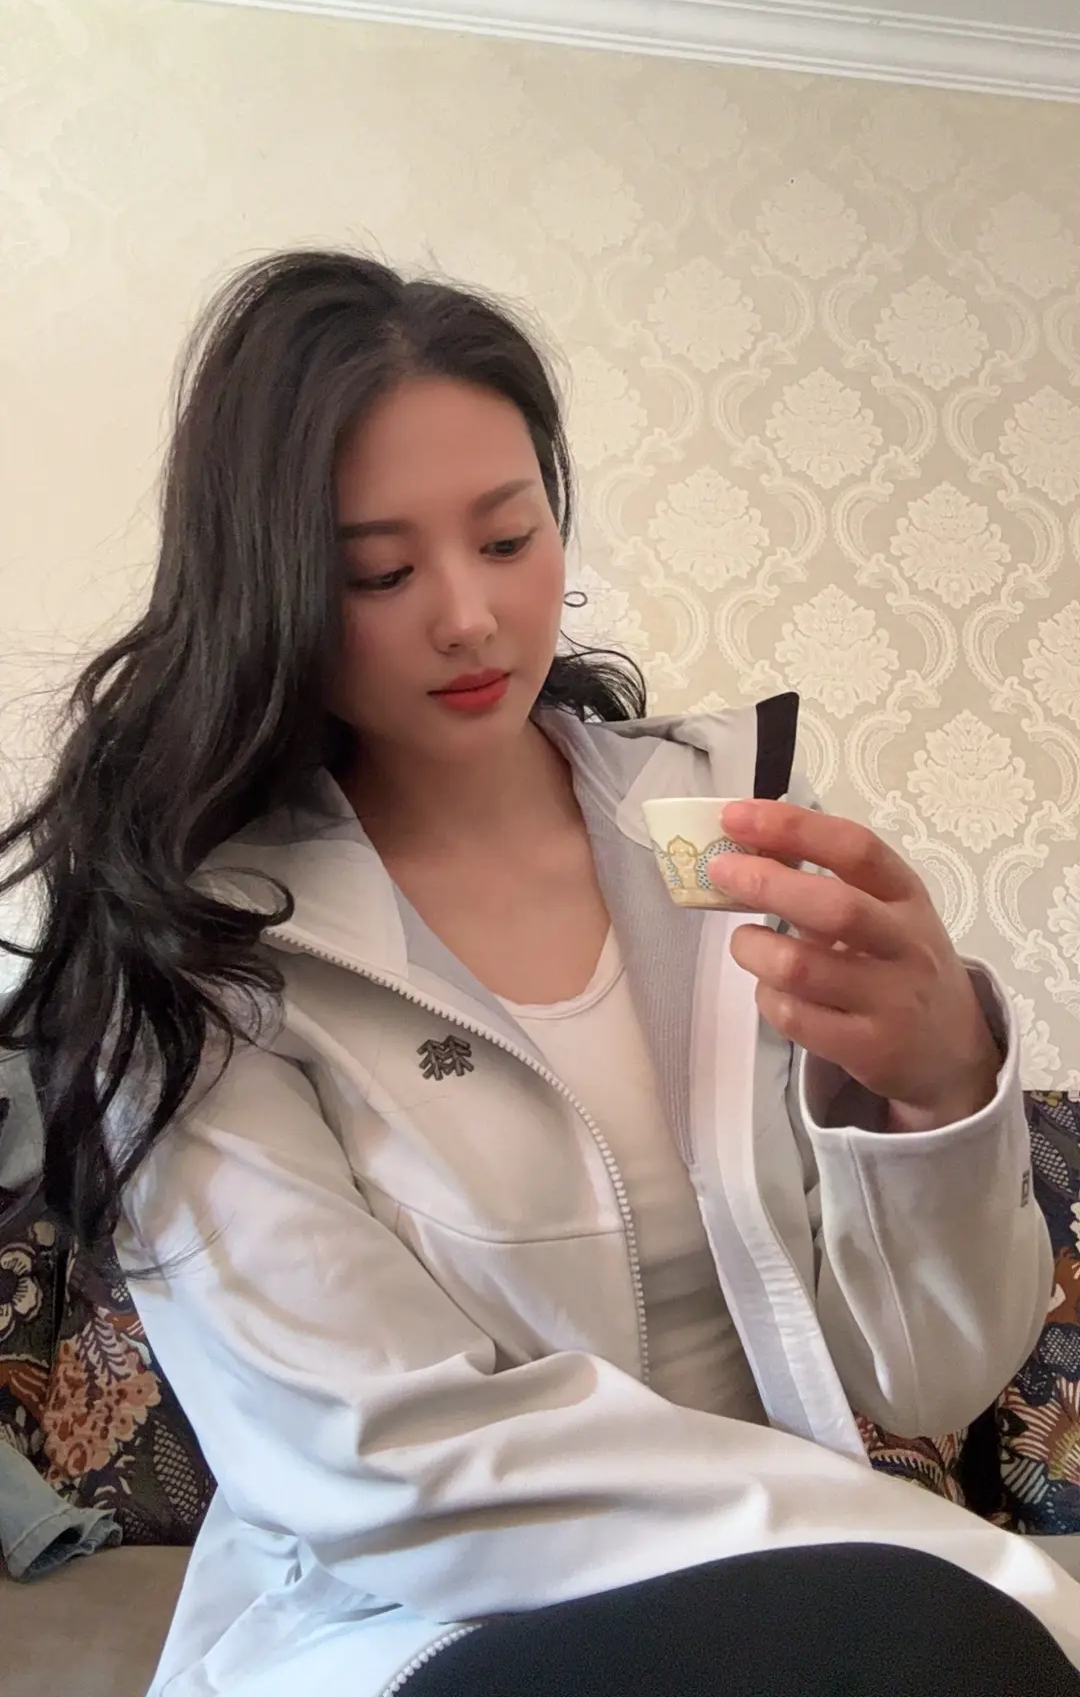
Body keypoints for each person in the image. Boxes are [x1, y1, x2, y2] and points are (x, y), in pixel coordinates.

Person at [1, 250, 1078, 1697]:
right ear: (269, 587)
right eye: (380, 572)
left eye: (509, 540)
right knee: (933, 1642)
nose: (468, 616)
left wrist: (941, 1096)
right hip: (402, 1629)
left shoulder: (723, 840)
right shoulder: (203, 947)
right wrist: (909, 1551)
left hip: (803, 1609)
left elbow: (924, 1378)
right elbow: (382, 1463)